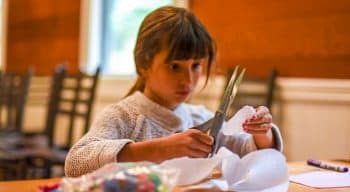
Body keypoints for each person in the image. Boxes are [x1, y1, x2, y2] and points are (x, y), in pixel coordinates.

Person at [65, 6, 283, 177]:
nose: (188, 79)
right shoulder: (124, 117)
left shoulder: (199, 117)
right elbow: (76, 162)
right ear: (144, 65)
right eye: (174, 66)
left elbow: (248, 152)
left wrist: (261, 133)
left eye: (196, 66)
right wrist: (162, 149)